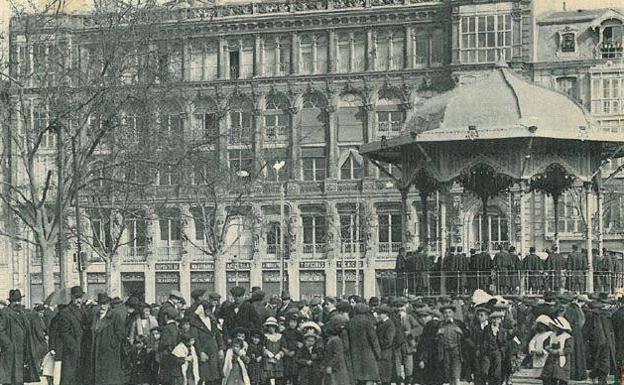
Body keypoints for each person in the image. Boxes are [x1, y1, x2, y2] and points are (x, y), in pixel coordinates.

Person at [0, 289, 40, 385]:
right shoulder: (5, 313)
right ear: (10, 301)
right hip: (11, 350)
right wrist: (8, 345)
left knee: (20, 377)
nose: (17, 303)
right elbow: (0, 330)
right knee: (10, 378)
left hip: (23, 349)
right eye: (15, 301)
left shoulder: (23, 313)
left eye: (19, 300)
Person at [53, 286, 87, 385]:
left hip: (83, 350)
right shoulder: (65, 312)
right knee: (69, 378)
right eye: (76, 297)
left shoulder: (84, 311)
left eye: (80, 297)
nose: (79, 300)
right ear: (71, 297)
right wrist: (74, 347)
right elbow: (64, 333)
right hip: (71, 352)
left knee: (80, 378)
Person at [90, 293, 126, 385]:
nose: (102, 306)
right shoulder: (94, 317)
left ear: (109, 304)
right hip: (96, 352)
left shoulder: (114, 316)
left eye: (105, 304)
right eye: (101, 304)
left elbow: (121, 333)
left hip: (109, 353)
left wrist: (112, 343)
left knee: (109, 378)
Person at [189, 301, 224, 385]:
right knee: (206, 378)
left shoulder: (212, 320)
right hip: (204, 353)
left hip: (214, 352)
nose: (209, 312)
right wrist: (200, 352)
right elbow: (195, 340)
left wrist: (221, 348)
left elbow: (218, 335)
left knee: (216, 377)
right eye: (207, 310)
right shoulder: (195, 323)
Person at [347, 303, 381, 385]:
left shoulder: (350, 322)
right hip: (368, 353)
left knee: (359, 378)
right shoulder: (368, 322)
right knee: (369, 377)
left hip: (355, 353)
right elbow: (373, 339)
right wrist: (378, 353)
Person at [540, 317, 573, 385]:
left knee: (561, 377)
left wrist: (558, 352)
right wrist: (549, 349)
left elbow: (569, 349)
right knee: (548, 377)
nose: (555, 328)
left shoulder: (567, 337)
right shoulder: (552, 335)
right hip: (551, 359)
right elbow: (545, 343)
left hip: (562, 360)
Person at [437, 304, 463, 385]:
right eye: (445, 313)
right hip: (445, 351)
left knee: (456, 371)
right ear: (443, 315)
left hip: (457, 350)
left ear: (453, 313)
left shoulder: (459, 323)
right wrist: (438, 333)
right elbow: (434, 339)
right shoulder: (440, 324)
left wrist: (461, 332)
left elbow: (467, 334)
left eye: (449, 312)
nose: (447, 314)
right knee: (448, 370)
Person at [323, 319, 351, 385]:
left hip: (337, 368)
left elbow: (338, 355)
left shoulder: (335, 340)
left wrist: (330, 365)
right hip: (336, 367)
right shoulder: (333, 339)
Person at [375, 304, 396, 385]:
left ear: (386, 314)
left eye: (380, 313)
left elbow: (388, 341)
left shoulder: (390, 324)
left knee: (385, 378)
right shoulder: (381, 323)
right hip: (382, 353)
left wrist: (377, 343)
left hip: (385, 353)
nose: (378, 315)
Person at [262, 317, 284, 385]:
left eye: (273, 327)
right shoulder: (265, 336)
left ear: (275, 327)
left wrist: (280, 354)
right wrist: (267, 352)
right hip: (268, 360)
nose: (271, 328)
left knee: (278, 378)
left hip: (278, 360)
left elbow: (283, 348)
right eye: (269, 327)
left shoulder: (280, 336)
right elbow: (262, 347)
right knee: (269, 378)